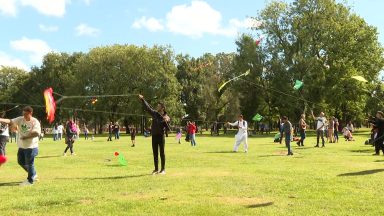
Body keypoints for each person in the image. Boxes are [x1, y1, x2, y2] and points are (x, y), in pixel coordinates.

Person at [0, 106, 41, 185]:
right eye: (23, 113)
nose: (24, 115)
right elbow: (10, 121)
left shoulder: (35, 122)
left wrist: (26, 137)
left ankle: (30, 180)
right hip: (22, 146)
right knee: (20, 162)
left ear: (30, 113)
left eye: (26, 114)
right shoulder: (20, 119)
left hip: (31, 146)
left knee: (30, 163)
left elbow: (36, 133)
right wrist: (0, 119)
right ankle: (33, 174)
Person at [139, 94, 170, 175]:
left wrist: (166, 120)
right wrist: (143, 100)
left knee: (162, 153)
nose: (157, 107)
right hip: (154, 136)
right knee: (155, 153)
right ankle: (156, 169)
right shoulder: (155, 113)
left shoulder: (166, 116)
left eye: (159, 106)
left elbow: (168, 125)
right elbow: (148, 108)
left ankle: (163, 170)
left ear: (162, 108)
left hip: (161, 136)